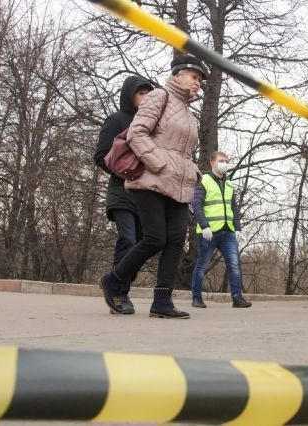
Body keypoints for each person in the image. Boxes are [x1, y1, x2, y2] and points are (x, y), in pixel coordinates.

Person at [99, 54, 207, 319]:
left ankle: (162, 301)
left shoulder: (189, 114)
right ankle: (114, 279)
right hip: (151, 179)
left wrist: (191, 170)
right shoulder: (159, 96)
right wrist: (158, 162)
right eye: (194, 77)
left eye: (200, 80)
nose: (198, 83)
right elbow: (136, 132)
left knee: (175, 241)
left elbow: (183, 151)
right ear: (178, 75)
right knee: (155, 238)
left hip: (179, 184)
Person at [94, 75, 153, 315]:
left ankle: (113, 281)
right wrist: (126, 171)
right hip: (121, 192)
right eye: (141, 92)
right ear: (130, 95)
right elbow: (100, 156)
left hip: (145, 195)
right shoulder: (117, 119)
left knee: (142, 245)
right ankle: (119, 294)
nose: (145, 97)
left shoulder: (152, 125)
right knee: (127, 240)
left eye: (149, 93)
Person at [190, 152, 252, 309]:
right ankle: (196, 298)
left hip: (228, 231)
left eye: (226, 161)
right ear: (213, 163)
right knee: (201, 265)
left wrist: (237, 228)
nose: (225, 163)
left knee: (234, 265)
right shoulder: (203, 180)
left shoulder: (229, 183)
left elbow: (234, 208)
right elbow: (196, 205)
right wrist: (204, 225)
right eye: (221, 161)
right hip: (209, 232)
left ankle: (237, 298)